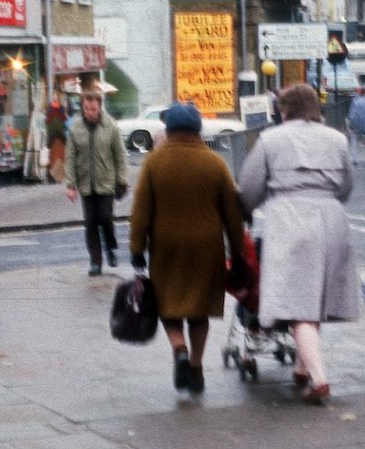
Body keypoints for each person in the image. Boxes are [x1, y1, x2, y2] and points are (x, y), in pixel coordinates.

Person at [239, 83, 358, 405]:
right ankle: (301, 369)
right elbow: (346, 187)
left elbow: (249, 189)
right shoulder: (337, 139)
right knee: (314, 299)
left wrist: (250, 208)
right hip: (332, 220)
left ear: (284, 110)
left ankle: (319, 378)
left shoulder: (270, 140)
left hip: (290, 220)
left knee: (297, 307)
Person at [129, 103, 246, 396]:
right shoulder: (215, 163)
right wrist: (238, 253)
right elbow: (233, 215)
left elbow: (140, 212)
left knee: (168, 307)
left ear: (167, 130)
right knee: (199, 311)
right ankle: (195, 366)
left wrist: (136, 250)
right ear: (198, 130)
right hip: (207, 247)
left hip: (166, 247)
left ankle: (178, 348)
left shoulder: (154, 164)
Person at [64, 89, 128, 276]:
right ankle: (95, 261)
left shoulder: (111, 127)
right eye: (86, 108)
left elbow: (119, 156)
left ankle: (110, 248)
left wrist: (122, 180)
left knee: (106, 219)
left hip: (106, 182)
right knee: (91, 222)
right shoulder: (76, 128)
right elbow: (70, 158)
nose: (89, 112)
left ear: (99, 107)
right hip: (86, 184)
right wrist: (70, 185)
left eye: (92, 108)